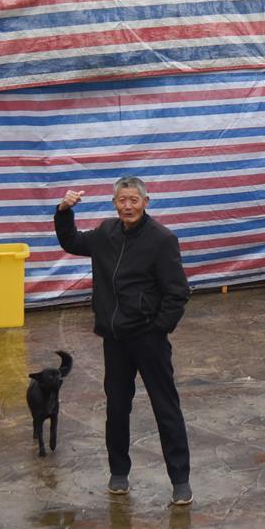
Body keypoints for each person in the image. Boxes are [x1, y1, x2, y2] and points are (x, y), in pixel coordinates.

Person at [54, 177, 193, 505]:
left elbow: (177, 292)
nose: (127, 206)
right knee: (117, 408)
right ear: (114, 203)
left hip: (148, 339)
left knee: (166, 408)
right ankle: (119, 472)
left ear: (146, 202)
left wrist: (158, 329)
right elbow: (72, 241)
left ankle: (180, 480)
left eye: (134, 200)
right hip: (114, 339)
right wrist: (63, 211)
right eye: (122, 200)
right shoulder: (106, 233)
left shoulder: (162, 239)